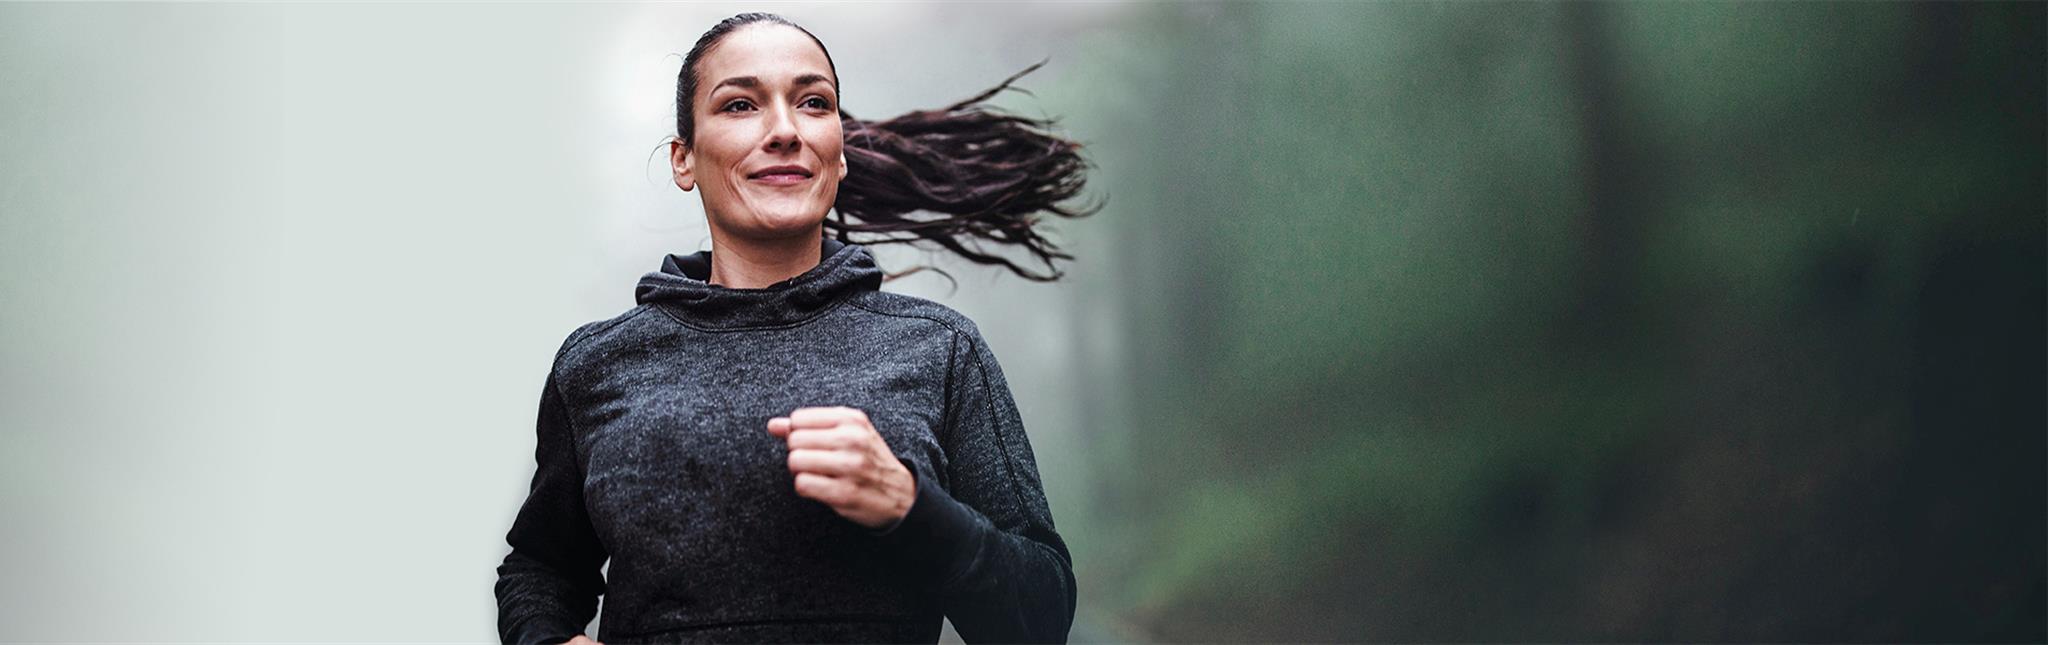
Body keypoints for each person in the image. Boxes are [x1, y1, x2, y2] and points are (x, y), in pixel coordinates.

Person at [493, 12, 1096, 645]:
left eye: (813, 103)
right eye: (740, 105)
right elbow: (540, 569)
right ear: (684, 158)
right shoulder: (597, 363)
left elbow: (1041, 617)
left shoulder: (941, 349)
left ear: (837, 155)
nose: (783, 130)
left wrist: (912, 509)